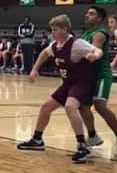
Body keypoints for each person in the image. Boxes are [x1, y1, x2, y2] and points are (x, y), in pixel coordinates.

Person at [17, 14, 103, 164]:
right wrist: (35, 69)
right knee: (45, 107)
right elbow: (44, 53)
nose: (52, 33)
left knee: (70, 106)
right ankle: (37, 140)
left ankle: (82, 146)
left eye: (55, 30)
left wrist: (94, 55)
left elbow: (97, 50)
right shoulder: (55, 45)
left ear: (64, 29)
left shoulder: (77, 44)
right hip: (68, 83)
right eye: (52, 30)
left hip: (82, 83)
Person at [79, 6, 117, 159]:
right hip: (88, 75)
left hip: (101, 74)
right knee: (83, 106)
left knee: (100, 106)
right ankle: (93, 136)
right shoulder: (86, 33)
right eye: (87, 12)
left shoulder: (100, 34)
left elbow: (92, 52)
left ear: (100, 19)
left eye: (91, 14)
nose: (87, 15)